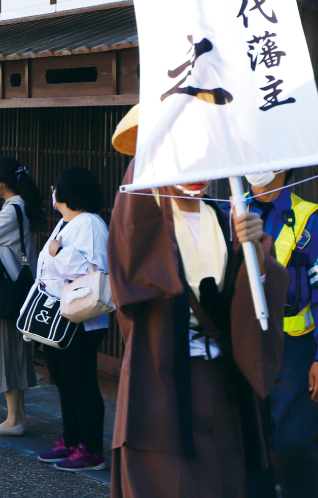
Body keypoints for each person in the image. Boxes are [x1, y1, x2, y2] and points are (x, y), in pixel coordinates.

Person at [107, 109, 287, 498]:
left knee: (222, 478)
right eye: (183, 154)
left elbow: (250, 303)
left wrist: (254, 251)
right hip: (161, 375)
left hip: (218, 378)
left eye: (205, 155)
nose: (197, 168)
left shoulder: (224, 221)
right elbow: (132, 273)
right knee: (167, 481)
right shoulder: (146, 220)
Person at [243, 169, 318, 498]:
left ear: (283, 166)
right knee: (248, 445)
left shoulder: (310, 219)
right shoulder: (228, 213)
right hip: (243, 343)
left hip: (294, 350)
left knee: (295, 445)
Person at [35, 167, 110, 472]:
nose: (53, 192)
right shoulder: (68, 223)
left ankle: (92, 450)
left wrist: (59, 251)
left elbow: (93, 270)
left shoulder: (90, 223)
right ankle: (72, 441)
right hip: (58, 315)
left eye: (57, 187)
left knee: (81, 385)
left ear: (67, 192)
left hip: (81, 318)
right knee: (65, 383)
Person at [0, 158, 44, 437]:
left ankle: (13, 420)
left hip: (5, 292)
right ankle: (18, 417)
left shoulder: (10, 210)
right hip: (18, 290)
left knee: (4, 352)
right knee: (14, 353)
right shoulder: (22, 206)